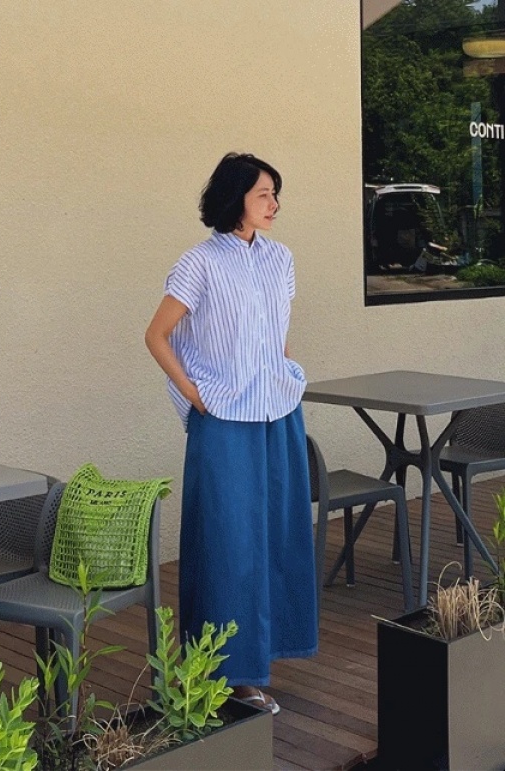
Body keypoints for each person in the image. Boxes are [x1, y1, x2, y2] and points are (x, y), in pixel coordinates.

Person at [145, 152, 317, 714]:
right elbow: (156, 336)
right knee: (227, 546)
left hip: (279, 414)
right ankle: (227, 674)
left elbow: (276, 334)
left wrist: (284, 374)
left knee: (279, 537)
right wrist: (195, 395)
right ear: (235, 198)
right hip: (224, 422)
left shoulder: (281, 258)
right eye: (264, 193)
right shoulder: (199, 263)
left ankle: (264, 655)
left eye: (275, 194)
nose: (274, 204)